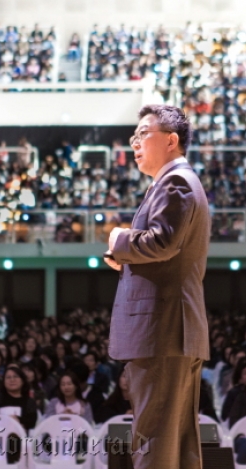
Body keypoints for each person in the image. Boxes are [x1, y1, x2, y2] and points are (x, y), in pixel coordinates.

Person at [104, 104, 210, 469]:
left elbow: (162, 241)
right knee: (177, 446)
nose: (135, 143)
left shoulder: (176, 181)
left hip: (163, 331)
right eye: (134, 136)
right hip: (171, 332)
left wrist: (120, 239)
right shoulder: (173, 181)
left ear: (171, 140)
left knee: (155, 444)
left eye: (143, 133)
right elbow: (166, 251)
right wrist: (128, 256)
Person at [0, 365, 38, 432]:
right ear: (4, 381)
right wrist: (7, 420)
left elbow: (31, 422)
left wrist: (18, 420)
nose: (12, 380)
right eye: (8, 377)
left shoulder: (29, 401)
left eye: (15, 376)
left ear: (22, 381)